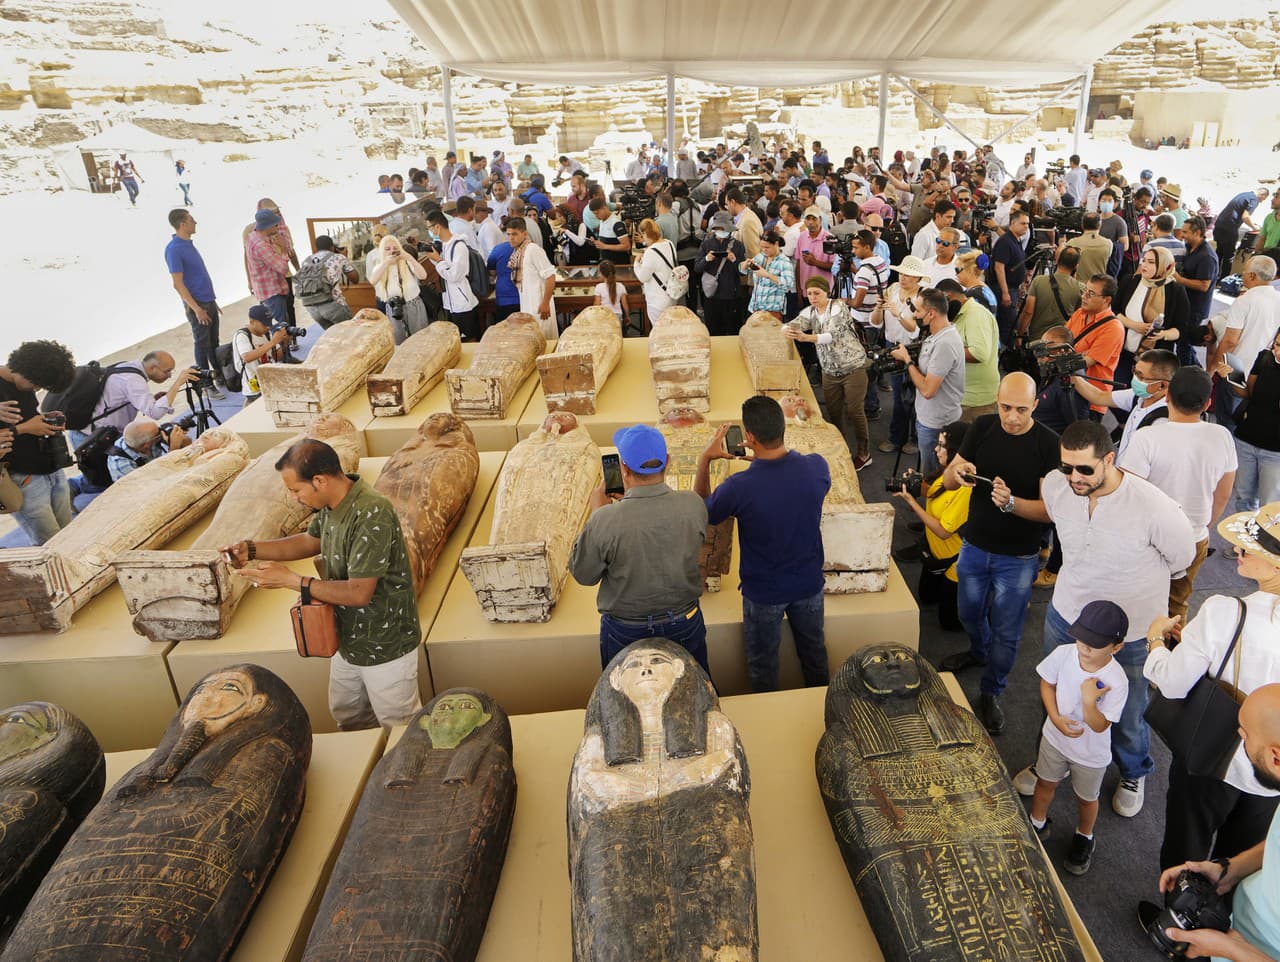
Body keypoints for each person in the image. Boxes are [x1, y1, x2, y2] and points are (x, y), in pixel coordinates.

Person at [1031, 419, 1197, 818]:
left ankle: (1133, 771)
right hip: (1067, 615)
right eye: (1066, 467)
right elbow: (1053, 516)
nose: (1074, 477)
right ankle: (1051, 761)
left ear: (1109, 459)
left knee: (1128, 710)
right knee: (1057, 691)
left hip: (1132, 633)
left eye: (1084, 469)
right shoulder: (1057, 486)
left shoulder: (1154, 507)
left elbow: (1182, 560)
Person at [224, 438, 422, 730]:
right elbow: (309, 541)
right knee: (349, 714)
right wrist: (251, 550)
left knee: (399, 726)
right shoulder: (332, 504)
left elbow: (359, 593)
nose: (294, 498)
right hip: (347, 639)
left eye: (295, 490)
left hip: (385, 645)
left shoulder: (372, 512)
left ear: (319, 481)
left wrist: (292, 580)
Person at [937, 373, 1061, 734]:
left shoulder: (1048, 444)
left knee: (1007, 633)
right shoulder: (982, 427)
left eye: (1021, 410)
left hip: (1018, 557)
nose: (1012, 417)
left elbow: (1049, 512)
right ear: (996, 400)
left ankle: (992, 690)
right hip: (975, 545)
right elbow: (947, 480)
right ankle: (979, 651)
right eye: (1005, 407)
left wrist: (1011, 504)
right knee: (968, 613)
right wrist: (958, 472)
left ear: (1035, 405)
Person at [696, 396, 831, 693]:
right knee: (815, 658)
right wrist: (763, 461)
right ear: (783, 427)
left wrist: (705, 459)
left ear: (750, 437)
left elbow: (702, 511)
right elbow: (792, 478)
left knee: (763, 668)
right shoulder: (817, 467)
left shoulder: (738, 487)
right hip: (809, 584)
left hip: (763, 593)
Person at [1140, 684, 1280, 962]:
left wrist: (1230, 949)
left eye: (1244, 735)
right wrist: (1229, 869)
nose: (1239, 739)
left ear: (1276, 757)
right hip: (1240, 929)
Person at [569, 424, 710, 675]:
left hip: (627, 630)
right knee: (694, 688)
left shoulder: (605, 519)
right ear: (667, 461)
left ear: (623, 469)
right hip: (684, 621)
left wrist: (598, 513)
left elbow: (584, 574)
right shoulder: (693, 505)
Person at [1120, 366, 1236, 620]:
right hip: (1195, 536)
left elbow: (1129, 494)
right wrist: (1202, 525)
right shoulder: (1222, 436)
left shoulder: (1146, 438)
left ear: (1168, 396)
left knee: (1136, 602)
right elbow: (1224, 494)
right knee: (1177, 606)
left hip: (1149, 539)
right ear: (1207, 403)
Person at [1025, 600, 1130, 876]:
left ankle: (1084, 836)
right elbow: (1047, 683)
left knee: (1086, 798)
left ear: (1116, 647)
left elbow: (1100, 725)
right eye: (1082, 638)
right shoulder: (1064, 653)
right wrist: (1054, 717)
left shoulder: (1117, 680)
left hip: (1090, 754)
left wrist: (1089, 701)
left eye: (1095, 643)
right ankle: (1037, 822)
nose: (1084, 647)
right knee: (1045, 783)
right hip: (1054, 739)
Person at [890, 419, 970, 631]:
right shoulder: (947, 472)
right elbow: (934, 492)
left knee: (949, 622)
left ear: (957, 452)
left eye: (942, 445)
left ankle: (987, 607)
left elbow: (943, 531)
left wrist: (912, 502)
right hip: (935, 553)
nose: (936, 449)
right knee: (926, 597)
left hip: (954, 563)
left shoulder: (965, 487)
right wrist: (915, 485)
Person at [785, 276, 871, 469]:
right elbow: (795, 323)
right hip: (830, 370)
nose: (813, 297)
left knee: (855, 411)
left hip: (853, 367)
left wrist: (806, 338)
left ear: (827, 292)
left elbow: (832, 335)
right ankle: (841, 448)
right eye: (809, 293)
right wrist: (786, 330)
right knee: (834, 412)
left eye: (817, 293)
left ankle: (864, 453)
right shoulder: (811, 311)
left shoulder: (839, 307)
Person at [0, 340, 77, 545]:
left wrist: (45, 420)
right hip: (23, 476)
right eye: (36, 384)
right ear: (25, 370)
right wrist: (25, 428)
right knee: (50, 544)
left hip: (50, 467)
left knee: (70, 534)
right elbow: (18, 428)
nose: (36, 389)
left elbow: (26, 417)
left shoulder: (25, 385)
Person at [894, 287, 966, 476]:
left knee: (931, 476)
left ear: (932, 313)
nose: (915, 315)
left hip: (936, 423)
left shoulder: (944, 344)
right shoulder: (938, 336)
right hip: (930, 417)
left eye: (918, 310)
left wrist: (907, 360)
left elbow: (928, 390)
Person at [164, 208, 225, 400]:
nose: (195, 222)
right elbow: (178, 283)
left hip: (208, 300)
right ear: (182, 224)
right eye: (191, 220)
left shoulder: (188, 244)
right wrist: (197, 308)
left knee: (213, 341)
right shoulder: (174, 249)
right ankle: (206, 383)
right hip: (197, 304)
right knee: (202, 343)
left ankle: (219, 376)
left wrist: (212, 301)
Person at [870, 255, 926, 456]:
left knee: (914, 394)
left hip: (913, 349)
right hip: (892, 346)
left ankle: (914, 438)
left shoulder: (923, 295)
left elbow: (915, 330)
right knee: (897, 395)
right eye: (901, 273)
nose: (902, 277)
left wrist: (898, 313)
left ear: (918, 278)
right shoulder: (892, 289)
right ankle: (898, 437)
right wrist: (878, 307)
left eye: (908, 275)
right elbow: (875, 322)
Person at [1220, 328, 1280, 512]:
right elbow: (1248, 393)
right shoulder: (1264, 358)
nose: (1278, 352)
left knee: (1269, 505)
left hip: (1275, 451)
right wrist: (1231, 377)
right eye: (1277, 345)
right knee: (1243, 498)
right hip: (1246, 439)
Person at [82, 351, 199, 446]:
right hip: (94, 436)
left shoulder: (129, 367)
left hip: (97, 431)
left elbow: (122, 398)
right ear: (152, 368)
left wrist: (153, 399)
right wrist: (178, 383)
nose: (170, 375)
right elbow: (155, 413)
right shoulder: (133, 380)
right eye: (167, 371)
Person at [1113, 246, 1194, 376]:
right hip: (1122, 350)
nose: (1144, 265)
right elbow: (1114, 310)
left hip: (1154, 359)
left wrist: (1162, 334)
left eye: (1151, 262)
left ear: (1165, 266)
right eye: (1144, 260)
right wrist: (1134, 325)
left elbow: (1181, 328)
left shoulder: (1176, 290)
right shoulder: (1131, 281)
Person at [937, 278, 998, 422]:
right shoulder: (959, 313)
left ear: (948, 297)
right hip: (962, 397)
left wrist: (943, 352)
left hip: (973, 402)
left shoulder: (976, 315)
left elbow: (979, 353)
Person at [1063, 274, 1125, 418]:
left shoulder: (1113, 328)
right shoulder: (1080, 313)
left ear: (1107, 300)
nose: (1084, 296)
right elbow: (1063, 341)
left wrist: (1067, 356)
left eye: (1090, 294)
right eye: (1084, 290)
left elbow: (1088, 361)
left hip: (1091, 399)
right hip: (1068, 389)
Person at [421, 210, 480, 342]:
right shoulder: (445, 245)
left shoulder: (459, 246)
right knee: (456, 341)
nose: (429, 231)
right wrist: (434, 258)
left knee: (469, 341)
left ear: (437, 227)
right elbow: (444, 269)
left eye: (429, 228)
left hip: (463, 303)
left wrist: (438, 260)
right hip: (450, 302)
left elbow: (454, 276)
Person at [369, 234, 429, 344]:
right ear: (382, 251)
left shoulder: (407, 263)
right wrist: (386, 263)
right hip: (394, 308)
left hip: (414, 305)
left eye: (395, 248)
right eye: (387, 249)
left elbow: (423, 276)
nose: (392, 251)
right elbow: (373, 280)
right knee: (399, 342)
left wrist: (409, 258)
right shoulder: (380, 266)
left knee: (420, 340)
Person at [505, 216, 557, 339]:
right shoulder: (518, 252)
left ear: (524, 234)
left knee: (544, 338)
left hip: (540, 306)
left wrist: (545, 303)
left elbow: (550, 276)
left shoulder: (533, 250)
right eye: (509, 234)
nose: (511, 238)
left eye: (514, 234)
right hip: (527, 304)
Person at [696, 211, 748, 336]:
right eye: (718, 229)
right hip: (711, 296)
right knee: (713, 331)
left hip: (732, 296)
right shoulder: (706, 244)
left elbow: (743, 272)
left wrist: (734, 260)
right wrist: (707, 259)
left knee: (733, 331)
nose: (721, 232)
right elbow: (697, 268)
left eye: (724, 229)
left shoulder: (738, 246)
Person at [1017, 247, 1083, 342]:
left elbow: (1028, 312)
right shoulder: (1079, 288)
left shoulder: (1038, 281)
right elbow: (1078, 316)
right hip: (1063, 340)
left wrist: (1020, 334)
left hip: (1038, 339)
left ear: (1057, 260)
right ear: (1076, 266)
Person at [296, 235, 358, 330]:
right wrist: (345, 257)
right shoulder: (338, 257)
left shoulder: (306, 261)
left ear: (316, 248)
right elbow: (355, 279)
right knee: (350, 333)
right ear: (332, 247)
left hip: (313, 308)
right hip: (333, 305)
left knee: (332, 335)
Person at [233, 305, 289, 406]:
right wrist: (273, 342)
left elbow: (278, 356)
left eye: (269, 323)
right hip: (254, 389)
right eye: (264, 324)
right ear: (252, 322)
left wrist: (284, 342)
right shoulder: (242, 336)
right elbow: (247, 357)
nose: (268, 327)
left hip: (270, 382)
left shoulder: (266, 333)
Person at [107, 418, 190, 483]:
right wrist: (173, 450)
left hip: (157, 471)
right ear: (146, 446)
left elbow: (188, 445)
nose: (161, 432)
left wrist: (181, 439)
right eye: (158, 433)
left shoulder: (146, 438)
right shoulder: (121, 465)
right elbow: (153, 485)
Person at [991, 210, 1031, 341]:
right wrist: (1005, 292)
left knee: (1009, 322)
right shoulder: (1005, 241)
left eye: (1027, 224)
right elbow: (999, 267)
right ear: (1013, 223)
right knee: (1007, 323)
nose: (1026, 226)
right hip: (1005, 288)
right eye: (1023, 223)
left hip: (1013, 288)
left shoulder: (1016, 240)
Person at [633, 218, 681, 329]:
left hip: (657, 302)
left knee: (659, 332)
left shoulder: (650, 252)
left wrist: (636, 263)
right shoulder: (669, 243)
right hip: (672, 295)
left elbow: (642, 278)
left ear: (645, 234)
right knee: (670, 328)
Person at [1174, 216, 1220, 327]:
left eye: (1185, 232)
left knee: (1186, 337)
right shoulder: (1189, 247)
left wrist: (1179, 279)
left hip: (1195, 309)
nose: (1181, 235)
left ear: (1197, 233)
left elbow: (1204, 285)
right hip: (1185, 303)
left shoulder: (1207, 257)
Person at [1216, 188, 1270, 279]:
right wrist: (1254, 227)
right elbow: (1245, 217)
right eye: (1263, 199)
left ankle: (1212, 277)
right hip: (1230, 228)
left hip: (1219, 225)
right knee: (1229, 256)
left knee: (1219, 253)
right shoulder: (1254, 199)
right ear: (1262, 194)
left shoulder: (1244, 194)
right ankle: (1223, 280)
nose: (1261, 201)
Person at [741, 231, 794, 319]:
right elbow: (743, 271)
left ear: (776, 244)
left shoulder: (784, 262)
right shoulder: (760, 257)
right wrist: (745, 264)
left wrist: (767, 275)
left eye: (767, 247)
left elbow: (789, 284)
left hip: (772, 311)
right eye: (762, 247)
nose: (764, 250)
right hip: (754, 308)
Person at [1064, 213, 1114, 285]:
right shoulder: (1108, 244)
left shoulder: (1072, 243)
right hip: (1099, 286)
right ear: (1099, 225)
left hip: (1080, 285)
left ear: (1082, 225)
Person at [486, 233, 521, 324]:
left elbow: (492, 272)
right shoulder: (527, 247)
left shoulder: (498, 249)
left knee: (504, 328)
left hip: (504, 296)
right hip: (524, 295)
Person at [1096, 188, 1130, 278]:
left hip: (1109, 264)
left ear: (1115, 204)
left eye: (1110, 201)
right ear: (1098, 202)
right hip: (1094, 260)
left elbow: (1125, 246)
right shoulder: (1094, 219)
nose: (1106, 203)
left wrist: (1108, 246)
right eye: (1103, 200)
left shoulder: (1119, 222)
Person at [587, 197, 631, 265]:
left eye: (597, 213)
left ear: (604, 208)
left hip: (619, 265)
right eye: (594, 214)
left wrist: (605, 246)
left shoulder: (616, 223)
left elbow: (626, 246)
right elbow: (607, 241)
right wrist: (595, 242)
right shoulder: (602, 221)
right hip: (607, 264)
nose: (596, 216)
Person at [593, 259, 631, 327]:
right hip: (618, 317)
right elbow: (625, 304)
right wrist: (627, 316)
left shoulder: (599, 287)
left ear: (601, 274)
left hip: (604, 316)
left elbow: (597, 304)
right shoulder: (621, 286)